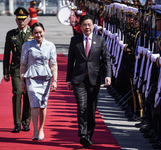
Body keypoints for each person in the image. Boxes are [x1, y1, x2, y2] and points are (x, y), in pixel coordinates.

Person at [66, 14, 111, 148]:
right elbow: (70, 61)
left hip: (94, 79)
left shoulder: (100, 40)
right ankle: (83, 134)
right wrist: (69, 79)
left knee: (91, 110)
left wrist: (108, 75)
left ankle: (88, 136)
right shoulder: (75, 40)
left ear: (93, 26)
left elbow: (107, 60)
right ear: (80, 26)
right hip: (78, 79)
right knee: (82, 106)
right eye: (84, 25)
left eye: (89, 25)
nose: (87, 27)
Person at [20, 22, 58, 141]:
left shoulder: (50, 45)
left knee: (43, 104)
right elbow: (22, 64)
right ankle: (35, 130)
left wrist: (55, 80)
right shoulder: (27, 45)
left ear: (44, 32)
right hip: (31, 78)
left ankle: (41, 129)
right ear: (32, 34)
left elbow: (53, 64)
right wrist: (22, 81)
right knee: (34, 103)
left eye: (40, 32)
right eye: (36, 33)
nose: (38, 35)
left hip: (45, 78)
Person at [3, 7, 31, 133]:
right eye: (19, 20)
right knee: (17, 93)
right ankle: (17, 123)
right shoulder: (11, 34)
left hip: (30, 70)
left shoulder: (33, 34)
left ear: (28, 19)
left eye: (23, 19)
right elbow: (6, 53)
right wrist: (5, 71)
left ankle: (26, 122)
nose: (21, 22)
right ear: (16, 21)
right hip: (15, 69)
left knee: (28, 95)